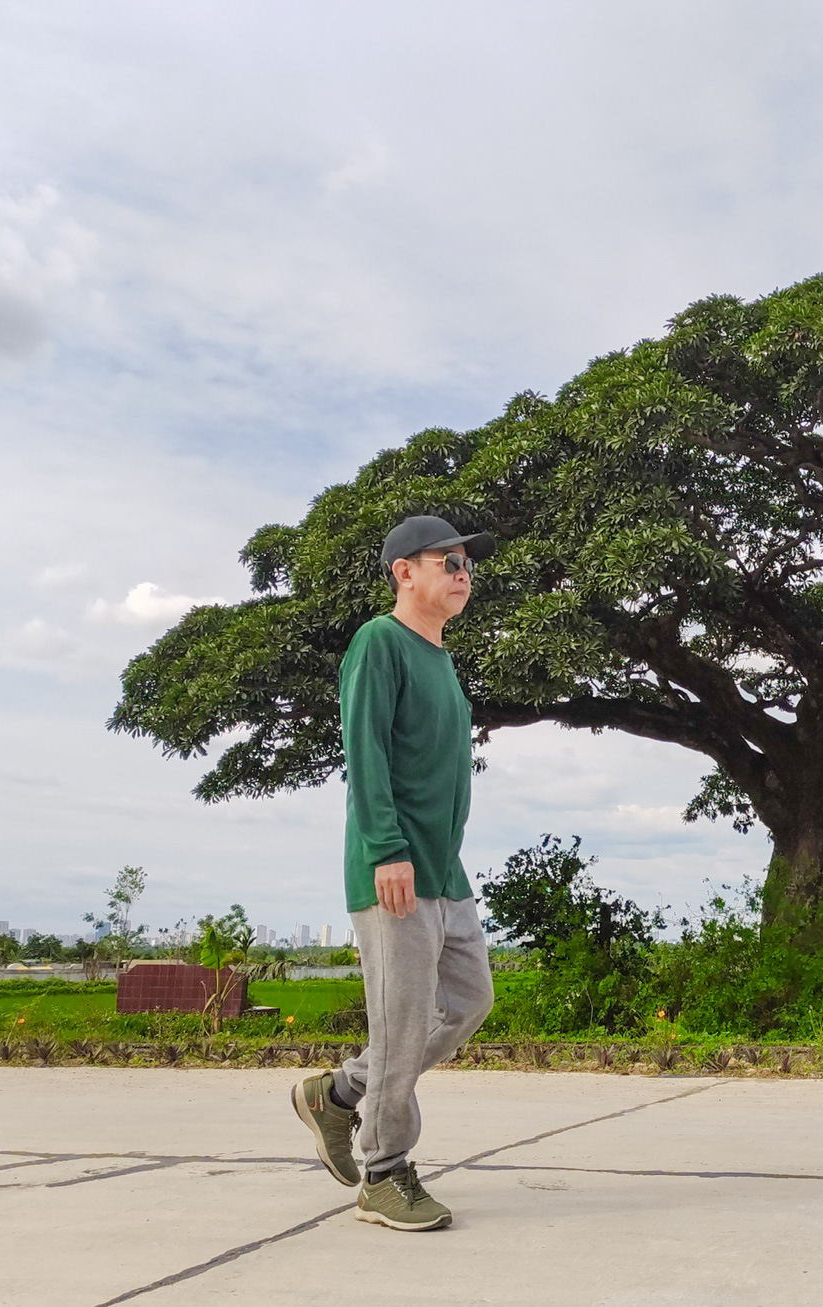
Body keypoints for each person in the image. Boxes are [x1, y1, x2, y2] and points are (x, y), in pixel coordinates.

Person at [291, 513, 496, 1231]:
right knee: (403, 1019)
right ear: (403, 571)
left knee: (468, 1000)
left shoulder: (441, 659)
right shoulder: (380, 643)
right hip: (395, 867)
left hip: (444, 870)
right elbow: (365, 751)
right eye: (449, 560)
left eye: (469, 562)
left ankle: (340, 1092)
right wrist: (385, 847)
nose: (464, 571)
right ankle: (384, 1172)